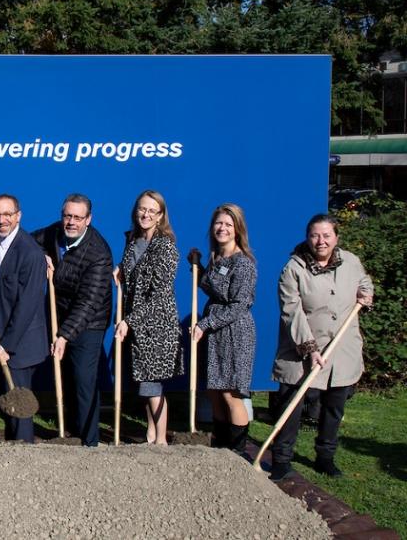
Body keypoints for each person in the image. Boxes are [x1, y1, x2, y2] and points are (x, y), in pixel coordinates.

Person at [269, 214, 373, 481]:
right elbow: (292, 312)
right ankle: (281, 459)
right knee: (291, 406)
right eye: (315, 235)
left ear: (336, 237)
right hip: (301, 349)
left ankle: (325, 457)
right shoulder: (294, 268)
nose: (321, 241)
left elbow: (364, 282)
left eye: (327, 235)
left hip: (342, 348)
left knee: (334, 407)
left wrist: (366, 294)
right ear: (308, 237)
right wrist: (310, 347)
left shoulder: (351, 261)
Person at [33, 193, 113, 447]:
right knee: (66, 376)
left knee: (83, 379)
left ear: (88, 220)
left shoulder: (98, 253)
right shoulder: (54, 233)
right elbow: (24, 241)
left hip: (89, 322)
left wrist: (64, 335)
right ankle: (72, 431)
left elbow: (88, 302)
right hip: (61, 314)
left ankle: (90, 441)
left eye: (78, 217)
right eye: (67, 215)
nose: (71, 222)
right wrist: (40, 254)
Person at [114, 189, 182, 445]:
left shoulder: (166, 248)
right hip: (136, 325)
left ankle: (161, 439)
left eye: (152, 211)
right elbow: (134, 276)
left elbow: (158, 295)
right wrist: (121, 270)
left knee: (152, 385)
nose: (146, 214)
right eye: (142, 209)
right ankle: (150, 434)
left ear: (161, 216)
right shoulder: (133, 241)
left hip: (156, 326)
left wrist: (129, 320)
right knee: (144, 383)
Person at [191, 204, 257, 456]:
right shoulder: (218, 258)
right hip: (216, 333)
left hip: (234, 333)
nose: (222, 228)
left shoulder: (243, 263)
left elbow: (239, 304)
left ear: (238, 229)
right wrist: (197, 269)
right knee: (215, 391)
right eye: (219, 223)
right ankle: (221, 447)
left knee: (231, 393)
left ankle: (238, 451)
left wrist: (205, 324)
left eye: (228, 224)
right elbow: (214, 289)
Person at [0, 194, 47, 443]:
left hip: (19, 343)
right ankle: (12, 452)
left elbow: (27, 304)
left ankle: (24, 455)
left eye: (7, 214)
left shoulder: (29, 252)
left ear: (18, 216)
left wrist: (7, 344)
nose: (2, 220)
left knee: (20, 405)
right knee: (8, 402)